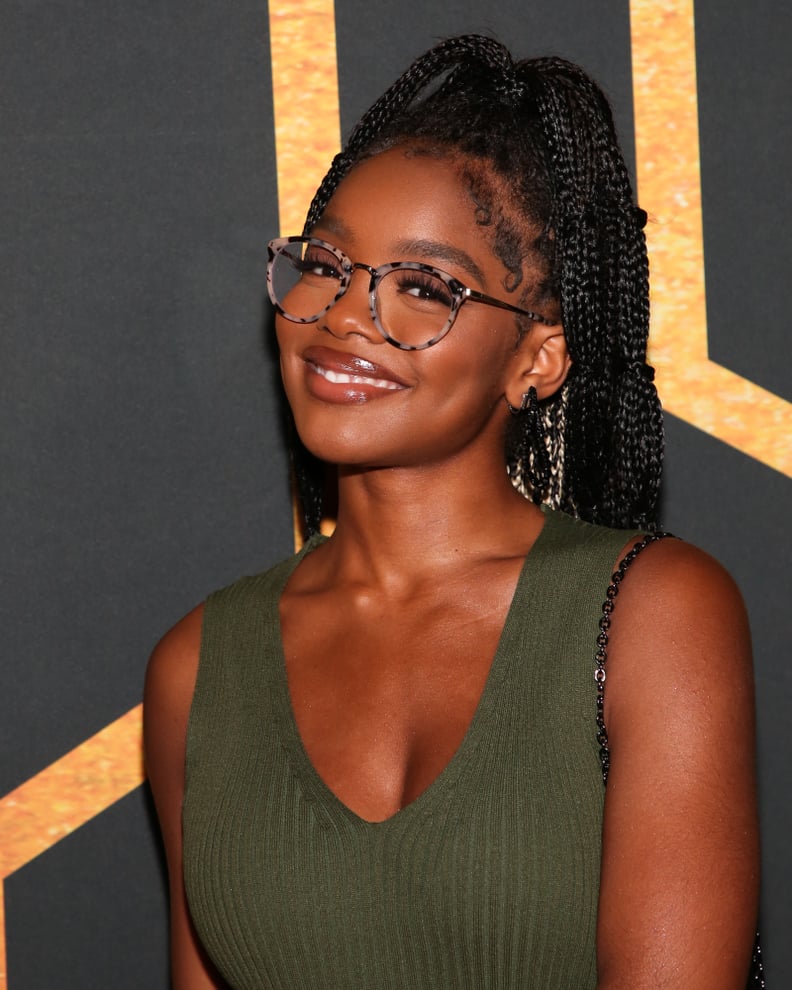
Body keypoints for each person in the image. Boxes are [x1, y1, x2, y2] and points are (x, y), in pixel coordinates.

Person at [144, 35, 760, 989]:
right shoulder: (197, 667)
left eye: (424, 287)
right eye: (327, 263)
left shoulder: (655, 616)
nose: (346, 313)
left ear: (538, 359)